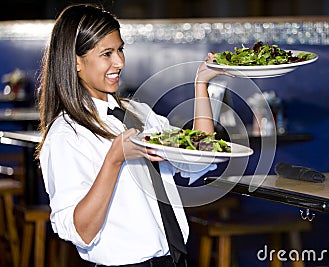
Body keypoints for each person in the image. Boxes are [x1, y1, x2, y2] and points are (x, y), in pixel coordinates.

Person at [35, 3, 227, 267]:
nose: (120, 62)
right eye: (107, 53)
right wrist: (114, 160)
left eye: (120, 49)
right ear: (76, 61)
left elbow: (199, 155)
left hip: (173, 258)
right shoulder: (66, 134)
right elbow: (82, 231)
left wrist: (201, 84)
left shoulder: (138, 112)